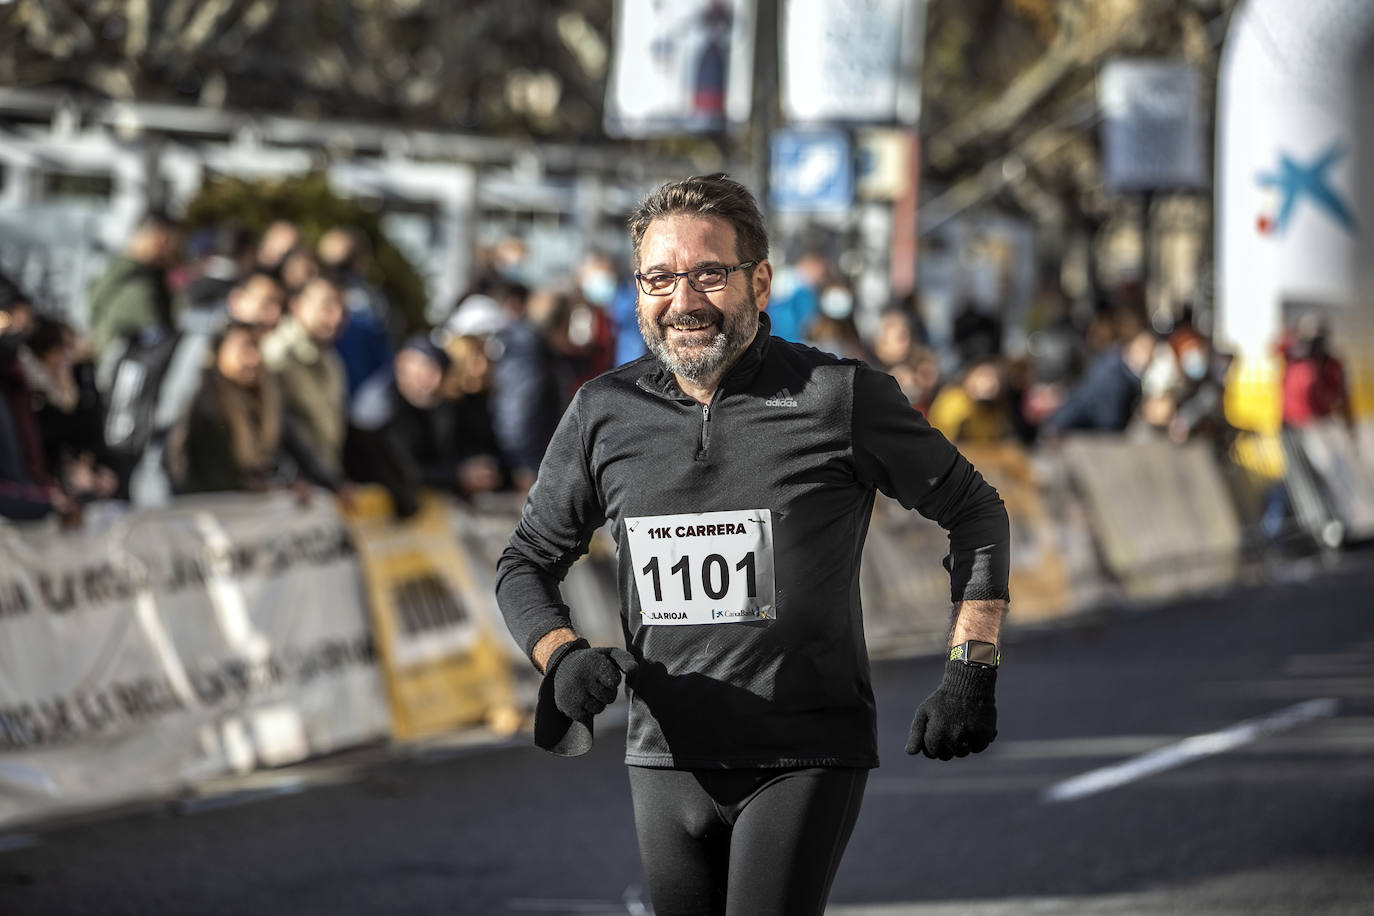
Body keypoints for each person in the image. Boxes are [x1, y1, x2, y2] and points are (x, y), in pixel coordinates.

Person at [496, 174, 1010, 916]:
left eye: (709, 274)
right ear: (637, 291)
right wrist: (561, 656)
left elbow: (974, 510)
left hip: (803, 750)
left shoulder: (838, 396)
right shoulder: (602, 413)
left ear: (759, 281)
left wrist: (973, 668)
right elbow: (526, 561)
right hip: (665, 754)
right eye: (661, 279)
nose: (684, 302)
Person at [262, 273, 350, 481]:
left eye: (342, 309)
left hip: (325, 484)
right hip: (292, 489)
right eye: (327, 306)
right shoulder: (276, 354)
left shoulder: (331, 360)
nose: (337, 317)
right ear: (297, 306)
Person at [87, 209, 181, 363]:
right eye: (172, 242)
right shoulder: (140, 289)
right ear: (159, 238)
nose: (174, 250)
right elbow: (162, 346)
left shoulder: (117, 273)